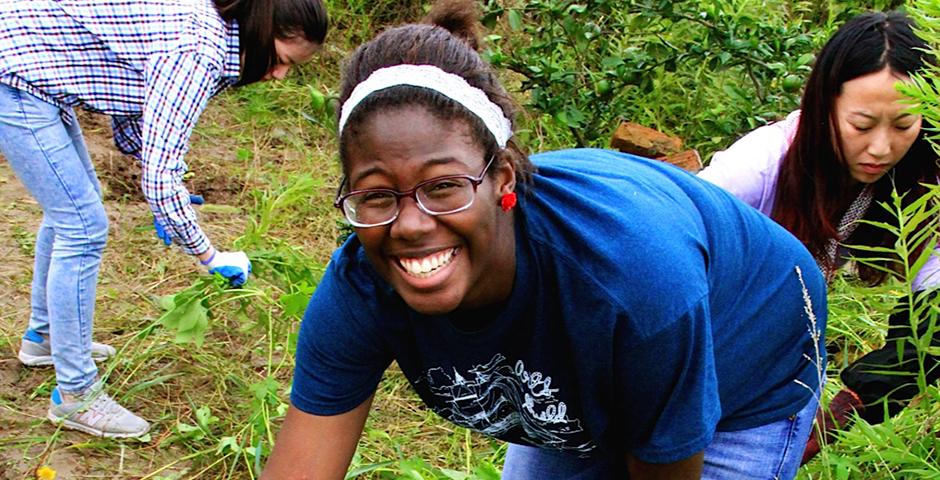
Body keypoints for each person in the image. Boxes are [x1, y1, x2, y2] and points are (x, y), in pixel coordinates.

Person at [262, 1, 827, 478]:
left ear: (503, 177)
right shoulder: (361, 287)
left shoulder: (634, 278)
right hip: (597, 369)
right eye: (378, 195)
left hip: (746, 355)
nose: (409, 225)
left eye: (444, 187)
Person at [0, 0, 327, 438]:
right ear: (261, 27)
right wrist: (209, 255)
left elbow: (135, 107)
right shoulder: (199, 53)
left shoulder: (211, 40)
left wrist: (169, 195)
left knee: (77, 209)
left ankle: (44, 339)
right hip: (16, 76)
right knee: (82, 226)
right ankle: (76, 394)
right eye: (283, 59)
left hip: (34, 71)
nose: (280, 74)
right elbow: (158, 177)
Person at [698, 11, 940, 462]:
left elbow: (935, 298)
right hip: (687, 346)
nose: (882, 148)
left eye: (904, 125)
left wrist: (858, 402)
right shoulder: (761, 164)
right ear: (823, 106)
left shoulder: (923, 177)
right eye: (862, 125)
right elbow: (672, 246)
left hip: (774, 370)